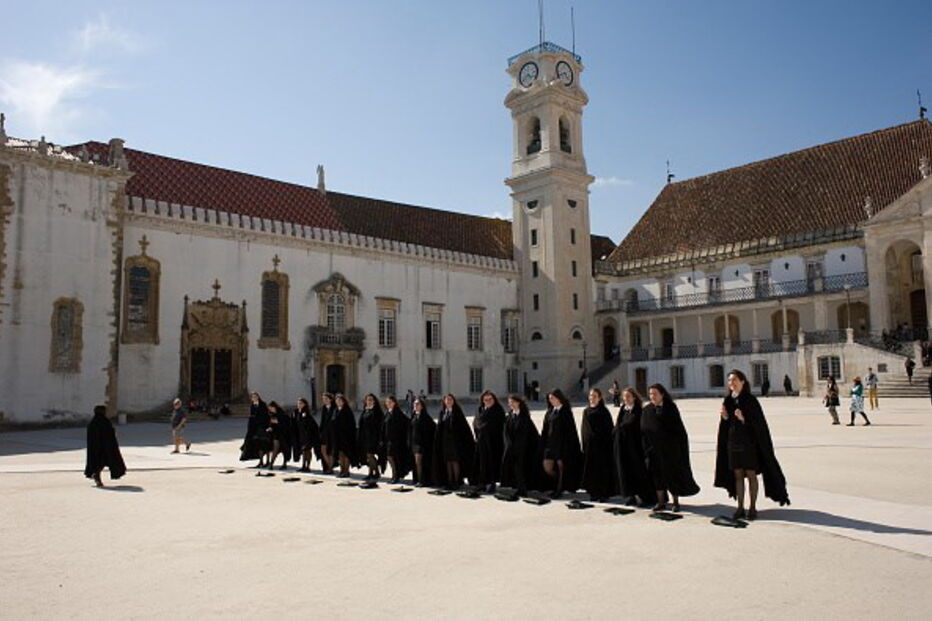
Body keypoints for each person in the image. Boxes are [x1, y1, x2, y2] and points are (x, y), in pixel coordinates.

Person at [715, 370, 790, 520]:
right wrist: (725, 417)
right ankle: (740, 507)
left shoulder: (750, 400)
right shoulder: (728, 400)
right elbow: (726, 425)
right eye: (729, 381)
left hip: (749, 444)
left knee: (750, 475)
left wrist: (744, 419)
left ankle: (753, 507)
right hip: (733, 444)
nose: (732, 383)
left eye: (735, 380)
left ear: (743, 381)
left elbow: (759, 425)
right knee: (737, 476)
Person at [640, 383, 699, 512]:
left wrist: (677, 448)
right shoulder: (647, 410)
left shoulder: (670, 408)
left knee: (672, 476)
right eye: (650, 394)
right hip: (653, 451)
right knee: (657, 477)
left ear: (662, 394)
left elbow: (678, 430)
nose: (652, 396)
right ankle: (661, 502)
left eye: (655, 394)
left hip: (670, 450)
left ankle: (676, 502)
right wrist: (646, 449)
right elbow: (643, 430)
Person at [613, 388, 654, 507]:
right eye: (624, 397)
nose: (626, 399)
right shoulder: (623, 409)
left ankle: (643, 497)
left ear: (634, 397)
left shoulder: (639, 411)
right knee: (626, 472)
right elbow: (619, 424)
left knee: (638, 472)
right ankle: (630, 496)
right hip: (624, 446)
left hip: (635, 447)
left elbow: (636, 427)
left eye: (628, 396)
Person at [540, 388, 582, 499]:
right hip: (550, 444)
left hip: (562, 444)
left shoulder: (566, 411)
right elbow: (545, 429)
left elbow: (571, 430)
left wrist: (571, 445)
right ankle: (557, 484)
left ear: (559, 398)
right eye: (549, 399)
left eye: (553, 398)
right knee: (547, 467)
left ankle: (559, 489)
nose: (551, 400)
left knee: (561, 467)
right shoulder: (549, 412)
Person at [431, 393, 476, 489]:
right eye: (447, 400)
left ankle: (457, 481)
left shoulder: (457, 412)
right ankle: (450, 481)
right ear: (444, 401)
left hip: (455, 442)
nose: (448, 401)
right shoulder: (442, 413)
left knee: (455, 461)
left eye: (450, 399)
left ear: (453, 401)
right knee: (448, 461)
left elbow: (463, 428)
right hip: (445, 442)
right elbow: (439, 428)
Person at [500, 394, 541, 497]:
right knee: (514, 468)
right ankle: (517, 486)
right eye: (509, 403)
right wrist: (509, 444)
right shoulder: (509, 416)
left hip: (522, 448)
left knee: (521, 468)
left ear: (518, 403)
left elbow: (529, 434)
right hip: (511, 448)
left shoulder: (524, 417)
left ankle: (522, 489)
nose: (511, 404)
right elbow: (506, 432)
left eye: (513, 402)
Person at [580, 388, 615, 502]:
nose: (592, 398)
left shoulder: (603, 411)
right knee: (591, 470)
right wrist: (585, 443)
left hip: (602, 446)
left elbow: (609, 428)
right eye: (590, 396)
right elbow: (584, 429)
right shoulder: (586, 411)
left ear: (599, 398)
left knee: (602, 470)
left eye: (594, 396)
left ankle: (603, 493)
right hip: (590, 447)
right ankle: (593, 492)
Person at [84, 405, 127, 487]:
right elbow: (108, 434)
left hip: (95, 448)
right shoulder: (104, 422)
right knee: (102, 463)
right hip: (105, 447)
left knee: (99, 463)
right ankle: (96, 476)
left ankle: (96, 476)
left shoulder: (93, 422)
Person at [472, 390, 506, 493]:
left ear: (494, 399)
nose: (488, 401)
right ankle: (482, 483)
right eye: (485, 400)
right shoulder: (480, 409)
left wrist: (485, 428)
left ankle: (492, 483)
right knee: (482, 463)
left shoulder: (498, 410)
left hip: (494, 441)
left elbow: (500, 425)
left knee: (492, 462)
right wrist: (478, 431)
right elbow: (476, 422)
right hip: (481, 440)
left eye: (490, 399)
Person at [383, 395, 412, 483]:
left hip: (396, 441)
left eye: (390, 402)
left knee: (393, 457)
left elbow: (406, 422)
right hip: (389, 440)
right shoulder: (388, 413)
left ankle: (396, 476)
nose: (388, 404)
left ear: (394, 403)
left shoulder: (398, 413)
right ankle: (394, 475)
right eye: (387, 402)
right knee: (390, 457)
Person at [357, 394, 385, 481]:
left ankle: (372, 473)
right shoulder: (365, 411)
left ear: (374, 401)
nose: (369, 401)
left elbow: (379, 426)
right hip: (365, 437)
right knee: (368, 456)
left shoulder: (377, 412)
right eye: (367, 400)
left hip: (373, 437)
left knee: (370, 455)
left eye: (370, 400)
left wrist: (379, 438)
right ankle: (375, 472)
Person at [240, 391, 271, 467]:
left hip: (263, 427)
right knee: (258, 445)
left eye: (255, 396)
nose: (254, 398)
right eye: (253, 397)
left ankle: (267, 461)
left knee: (265, 445)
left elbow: (266, 416)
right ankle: (261, 461)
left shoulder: (263, 405)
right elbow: (252, 416)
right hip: (255, 428)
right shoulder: (252, 406)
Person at [410, 397, 436, 486]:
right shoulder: (414, 416)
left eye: (417, 404)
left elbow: (432, 428)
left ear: (422, 406)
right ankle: (417, 479)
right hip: (414, 443)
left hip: (422, 444)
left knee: (419, 462)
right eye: (414, 404)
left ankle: (422, 480)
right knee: (416, 463)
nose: (415, 406)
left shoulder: (426, 417)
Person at [332, 394, 358, 477]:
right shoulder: (336, 410)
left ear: (343, 402)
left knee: (346, 454)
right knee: (340, 454)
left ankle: (346, 471)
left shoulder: (347, 411)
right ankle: (342, 469)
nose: (338, 402)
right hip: (337, 436)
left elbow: (351, 424)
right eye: (337, 401)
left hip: (346, 436)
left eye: (340, 401)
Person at [292, 398, 320, 472]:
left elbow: (310, 424)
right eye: (298, 403)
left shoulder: (306, 413)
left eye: (301, 403)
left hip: (308, 435)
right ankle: (303, 465)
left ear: (304, 404)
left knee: (307, 450)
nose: (299, 405)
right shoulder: (297, 412)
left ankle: (307, 466)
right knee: (304, 451)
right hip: (301, 435)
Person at [268, 401, 292, 470]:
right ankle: (271, 463)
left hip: (284, 434)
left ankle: (284, 464)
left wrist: (278, 422)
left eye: (271, 408)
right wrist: (270, 427)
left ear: (274, 407)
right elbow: (272, 424)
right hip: (276, 434)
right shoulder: (272, 415)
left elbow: (286, 423)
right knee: (275, 448)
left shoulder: (282, 414)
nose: (270, 410)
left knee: (285, 449)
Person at [318, 393, 337, 474]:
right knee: (323, 450)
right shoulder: (324, 408)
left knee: (330, 452)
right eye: (323, 399)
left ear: (330, 399)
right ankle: (328, 466)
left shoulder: (334, 409)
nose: (324, 400)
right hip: (324, 433)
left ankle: (330, 468)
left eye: (326, 399)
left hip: (332, 433)